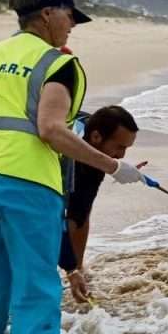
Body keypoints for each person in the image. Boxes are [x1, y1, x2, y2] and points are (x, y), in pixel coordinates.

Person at [0, 0, 146, 334]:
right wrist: (115, 167)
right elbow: (51, 130)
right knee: (36, 286)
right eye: (70, 15)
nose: (72, 24)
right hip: (22, 183)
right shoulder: (58, 63)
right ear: (47, 13)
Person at [58, 106, 144, 303]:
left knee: (82, 211)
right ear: (96, 137)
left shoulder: (91, 124)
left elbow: (82, 214)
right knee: (67, 216)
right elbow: (70, 220)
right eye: (120, 147)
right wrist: (70, 269)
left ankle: (79, 267)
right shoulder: (82, 166)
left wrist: (120, 168)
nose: (122, 155)